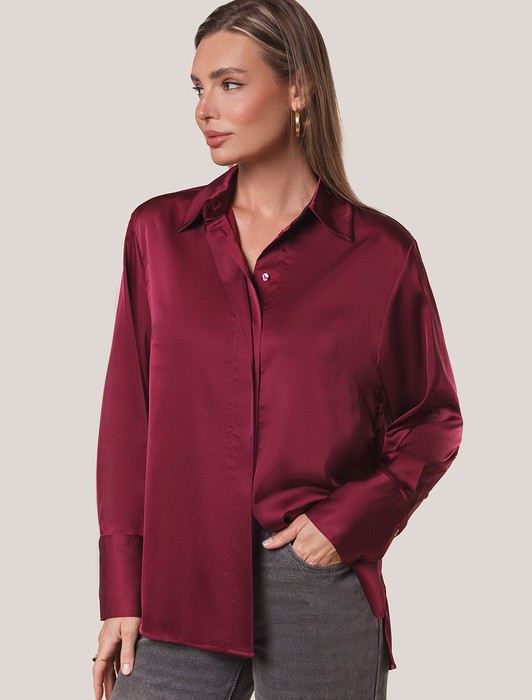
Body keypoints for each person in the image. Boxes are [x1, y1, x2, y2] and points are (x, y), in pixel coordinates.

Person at [92, 1, 463, 698]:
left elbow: (432, 422)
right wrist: (120, 587)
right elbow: (127, 422)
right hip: (178, 583)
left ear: (299, 90)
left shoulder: (380, 254)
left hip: (315, 580)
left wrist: (344, 524)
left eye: (230, 84)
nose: (204, 109)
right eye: (198, 87)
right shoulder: (157, 234)